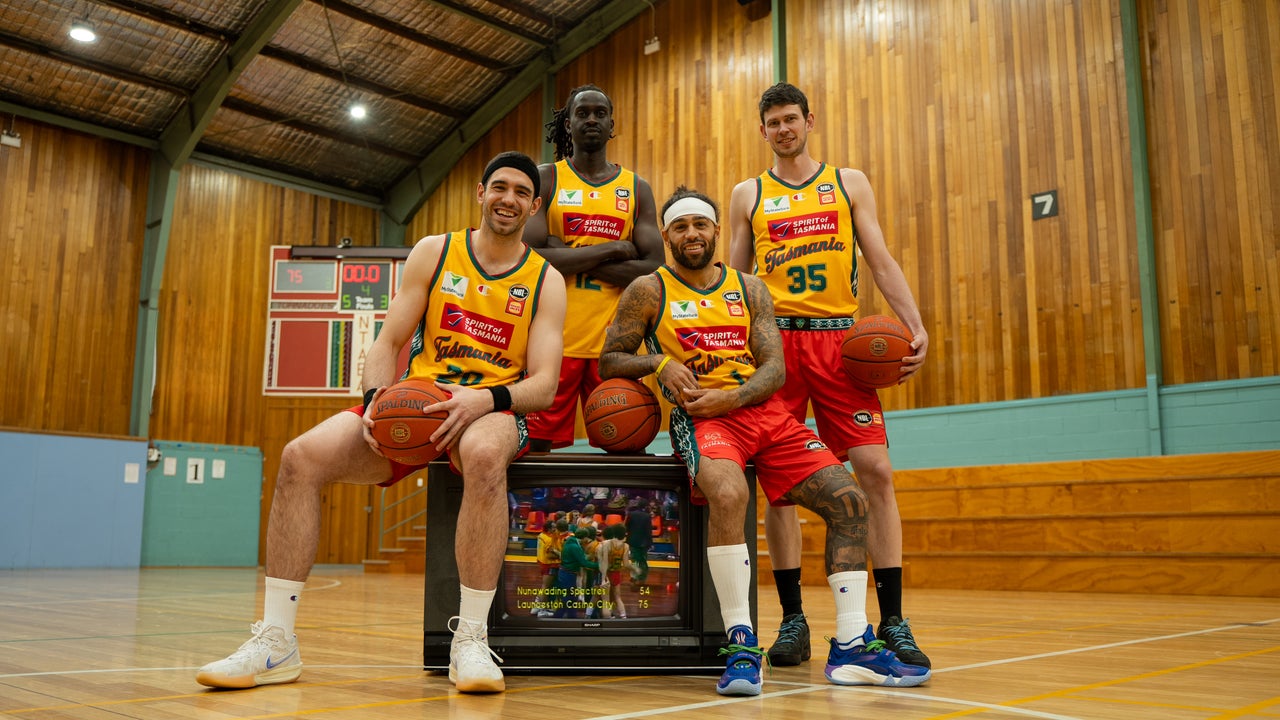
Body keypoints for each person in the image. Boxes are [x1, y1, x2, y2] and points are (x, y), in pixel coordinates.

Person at [195, 152, 566, 694]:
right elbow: (388, 342)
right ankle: (277, 642)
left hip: (491, 405)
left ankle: (471, 642)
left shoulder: (545, 280)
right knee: (300, 457)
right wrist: (373, 398)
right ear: (479, 193)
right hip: (416, 403)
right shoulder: (434, 252)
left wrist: (484, 399)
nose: (508, 199)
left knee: (485, 456)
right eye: (499, 188)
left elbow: (544, 385)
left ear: (534, 206)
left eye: (520, 193)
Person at [599, 187, 930, 695]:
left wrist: (732, 398)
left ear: (715, 232)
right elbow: (610, 360)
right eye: (681, 226)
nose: (692, 234)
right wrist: (659, 363)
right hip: (701, 420)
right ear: (666, 235)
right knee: (729, 494)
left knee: (851, 501)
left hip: (762, 414)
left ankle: (849, 646)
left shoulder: (749, 288)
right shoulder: (648, 290)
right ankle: (740, 643)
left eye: (701, 225)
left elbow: (774, 368)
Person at [728, 82, 932, 669]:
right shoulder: (749, 194)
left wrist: (912, 324)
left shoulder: (849, 182)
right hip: (774, 348)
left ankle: (891, 620)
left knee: (876, 471)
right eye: (773, 122)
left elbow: (881, 258)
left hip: (842, 344)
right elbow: (733, 284)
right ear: (762, 130)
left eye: (792, 118)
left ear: (809, 120)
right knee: (780, 486)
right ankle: (793, 619)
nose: (784, 129)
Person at [522, 84, 664, 451]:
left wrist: (568, 252)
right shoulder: (547, 177)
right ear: (567, 124)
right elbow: (532, 258)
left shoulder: (636, 187)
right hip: (553, 343)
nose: (591, 119)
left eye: (599, 113)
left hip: (615, 347)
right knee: (535, 451)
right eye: (582, 113)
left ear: (611, 124)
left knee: (626, 446)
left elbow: (653, 269)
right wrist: (615, 248)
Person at [624, 496, 653, 583]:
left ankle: (634, 575)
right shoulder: (647, 516)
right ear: (646, 506)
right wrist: (650, 543)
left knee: (634, 559)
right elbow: (648, 531)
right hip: (644, 543)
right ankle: (642, 578)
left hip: (632, 540)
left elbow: (626, 527)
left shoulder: (631, 514)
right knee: (642, 560)